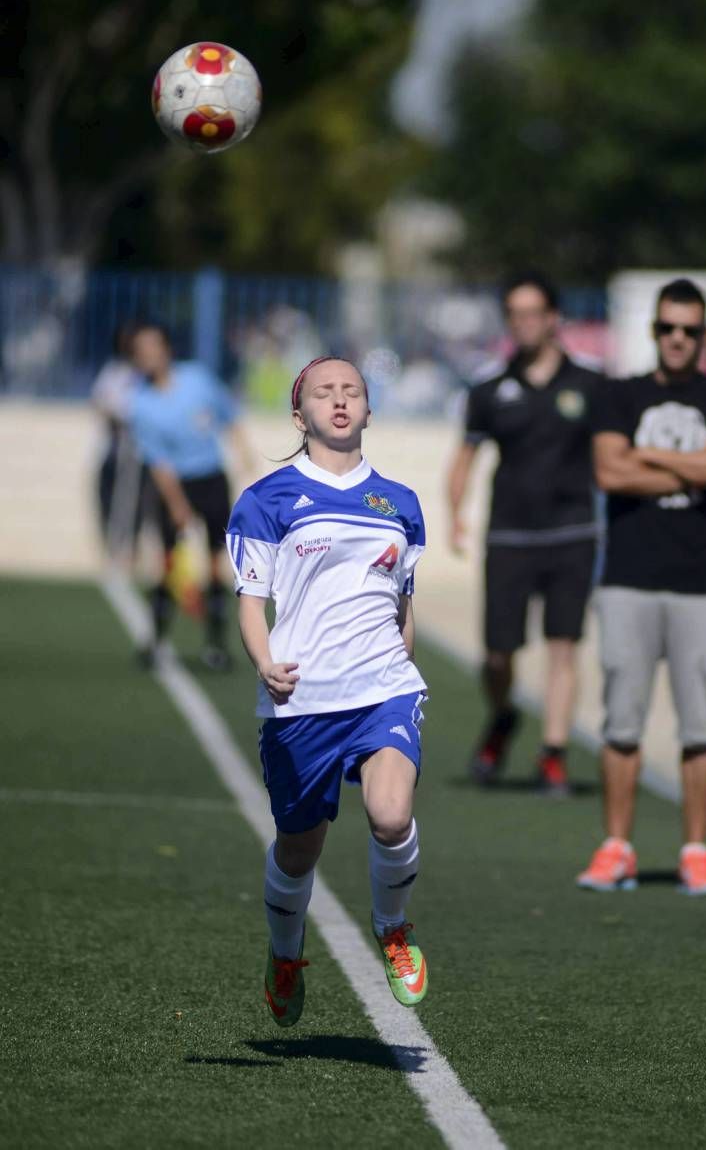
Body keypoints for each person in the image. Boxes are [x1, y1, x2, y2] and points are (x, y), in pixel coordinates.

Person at [226, 356, 428, 1026]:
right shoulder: (268, 498)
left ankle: (392, 928)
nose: (339, 401)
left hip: (383, 688)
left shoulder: (401, 502)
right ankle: (285, 953)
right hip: (303, 698)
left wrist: (404, 657)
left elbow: (403, 601)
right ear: (299, 414)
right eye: (324, 392)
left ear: (368, 410)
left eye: (352, 391)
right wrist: (264, 662)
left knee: (392, 814)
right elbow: (252, 602)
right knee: (298, 845)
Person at [578, 278, 706, 897]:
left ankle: (696, 851)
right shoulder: (618, 395)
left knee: (700, 724)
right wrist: (691, 462)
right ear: (653, 330)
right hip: (629, 578)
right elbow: (607, 470)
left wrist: (646, 457)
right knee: (621, 719)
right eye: (667, 328)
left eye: (690, 330)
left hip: (702, 582)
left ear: (703, 335)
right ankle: (617, 846)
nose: (677, 339)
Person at [446, 269, 602, 792]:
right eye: (516, 314)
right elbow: (464, 456)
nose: (526, 323)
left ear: (554, 318)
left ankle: (553, 753)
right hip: (509, 535)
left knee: (563, 647)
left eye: (535, 312)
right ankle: (503, 715)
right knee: (497, 654)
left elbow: (614, 456)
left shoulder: (589, 385)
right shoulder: (490, 390)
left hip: (572, 534)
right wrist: (455, 513)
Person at [128, 322, 252, 669]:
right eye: (141, 351)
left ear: (167, 350)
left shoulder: (197, 379)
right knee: (169, 564)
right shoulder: (140, 403)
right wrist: (178, 505)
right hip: (175, 485)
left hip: (211, 479)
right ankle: (154, 641)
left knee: (216, 564)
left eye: (154, 347)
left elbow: (229, 415)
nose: (148, 356)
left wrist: (244, 453)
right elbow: (159, 462)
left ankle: (216, 645)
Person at [90, 322, 151, 557]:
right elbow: (103, 404)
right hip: (115, 451)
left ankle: (132, 549)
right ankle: (111, 548)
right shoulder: (113, 372)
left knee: (138, 505)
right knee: (107, 499)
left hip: (140, 453)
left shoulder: (144, 376)